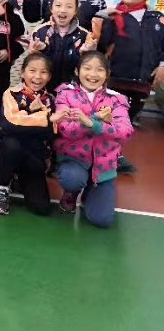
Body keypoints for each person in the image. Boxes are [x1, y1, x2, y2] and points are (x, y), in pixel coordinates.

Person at [94, 0, 164, 174]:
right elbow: (101, 45)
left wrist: (162, 65)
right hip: (115, 80)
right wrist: (102, 19)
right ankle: (102, 157)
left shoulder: (157, 19)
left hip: (142, 82)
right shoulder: (113, 16)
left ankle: (113, 154)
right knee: (109, 119)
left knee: (127, 122)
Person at [55, 52, 133, 228]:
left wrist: (93, 124)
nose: (93, 74)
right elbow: (65, 129)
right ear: (77, 71)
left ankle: (91, 189)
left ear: (107, 73)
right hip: (74, 160)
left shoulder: (116, 99)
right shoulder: (65, 94)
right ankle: (72, 192)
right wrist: (95, 118)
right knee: (72, 179)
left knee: (102, 220)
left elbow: (125, 131)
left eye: (99, 70)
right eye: (87, 68)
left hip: (104, 165)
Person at [0, 54, 67, 216]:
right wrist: (42, 116)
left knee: (41, 208)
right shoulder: (11, 94)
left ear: (49, 76)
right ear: (22, 72)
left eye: (43, 72)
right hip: (10, 151)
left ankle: (18, 178)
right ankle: (2, 188)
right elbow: (9, 124)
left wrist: (30, 119)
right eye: (32, 71)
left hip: (34, 155)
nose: (37, 77)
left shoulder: (51, 100)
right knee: (11, 143)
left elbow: (51, 133)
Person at [27, 0, 95, 91]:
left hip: (72, 90)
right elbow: (32, 64)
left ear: (75, 11)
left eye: (69, 6)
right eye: (58, 5)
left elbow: (87, 67)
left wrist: (84, 53)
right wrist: (39, 50)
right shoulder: (40, 31)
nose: (63, 10)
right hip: (43, 88)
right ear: (51, 8)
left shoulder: (84, 35)